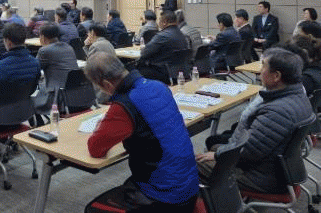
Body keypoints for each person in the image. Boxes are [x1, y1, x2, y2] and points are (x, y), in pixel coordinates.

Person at [84, 53, 199, 212]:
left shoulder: (124, 105)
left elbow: (95, 148)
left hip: (166, 196)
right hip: (190, 186)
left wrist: (101, 126)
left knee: (92, 210)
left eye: (100, 88)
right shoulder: (159, 86)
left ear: (107, 84)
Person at [197, 48, 314, 194]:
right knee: (215, 147)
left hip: (261, 177)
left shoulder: (277, 111)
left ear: (276, 76)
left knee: (192, 163)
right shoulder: (298, 96)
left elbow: (247, 152)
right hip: (276, 169)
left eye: (263, 66)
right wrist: (218, 152)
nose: (259, 71)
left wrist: (216, 156)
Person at [33, 23, 78, 115]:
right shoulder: (69, 47)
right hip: (74, 94)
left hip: (56, 97)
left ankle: (40, 123)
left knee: (27, 104)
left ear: (43, 37)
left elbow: (34, 70)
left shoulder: (44, 51)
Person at [138, 11, 189, 84]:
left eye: (159, 20)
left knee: (134, 71)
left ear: (164, 22)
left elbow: (144, 53)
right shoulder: (182, 35)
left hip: (164, 73)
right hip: (181, 73)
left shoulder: (162, 36)